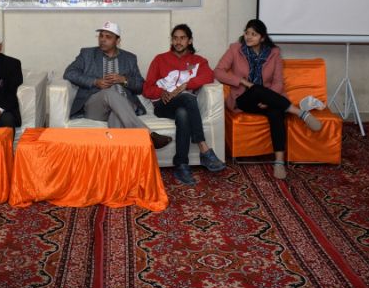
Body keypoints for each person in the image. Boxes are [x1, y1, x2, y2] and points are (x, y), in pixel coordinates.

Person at [213, 18, 322, 180]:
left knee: (276, 112)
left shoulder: (274, 53)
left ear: (262, 37)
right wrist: (242, 81)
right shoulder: (235, 49)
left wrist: (268, 99)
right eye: (247, 33)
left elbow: (278, 82)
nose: (249, 37)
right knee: (256, 88)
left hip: (267, 100)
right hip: (242, 100)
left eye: (254, 34)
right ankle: (300, 113)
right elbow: (218, 72)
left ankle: (279, 162)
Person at [64, 21, 172, 149]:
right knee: (109, 93)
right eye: (101, 36)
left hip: (123, 106)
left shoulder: (129, 58)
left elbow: (140, 85)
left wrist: (124, 80)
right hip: (96, 107)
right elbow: (69, 73)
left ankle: (118, 157)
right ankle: (148, 135)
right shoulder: (87, 54)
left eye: (108, 37)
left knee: (117, 117)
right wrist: (95, 81)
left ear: (117, 40)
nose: (103, 40)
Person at [143, 24, 226, 185]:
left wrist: (186, 85)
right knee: (188, 99)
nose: (178, 42)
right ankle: (203, 148)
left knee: (183, 113)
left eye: (182, 38)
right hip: (163, 105)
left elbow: (209, 76)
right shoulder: (160, 59)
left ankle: (181, 165)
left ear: (190, 40)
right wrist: (161, 92)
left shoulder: (198, 61)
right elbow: (147, 89)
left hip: (185, 105)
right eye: (175, 38)